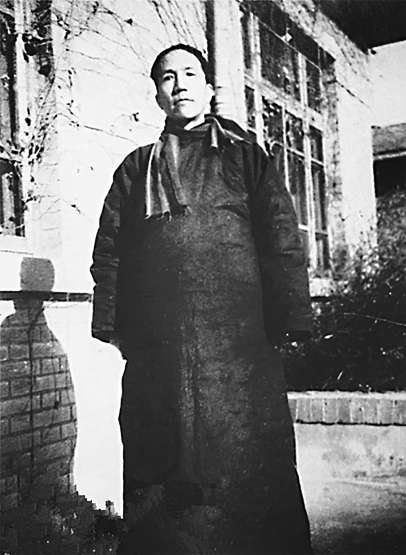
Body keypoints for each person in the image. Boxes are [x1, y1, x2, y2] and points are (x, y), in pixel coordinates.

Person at [91, 43, 313, 555]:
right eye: (167, 77)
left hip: (240, 349)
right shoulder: (136, 169)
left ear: (209, 88)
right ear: (157, 95)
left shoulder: (246, 157)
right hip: (160, 351)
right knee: (161, 461)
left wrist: (289, 320)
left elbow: (281, 237)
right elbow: (109, 251)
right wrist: (117, 329)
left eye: (190, 73)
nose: (180, 84)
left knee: (247, 459)